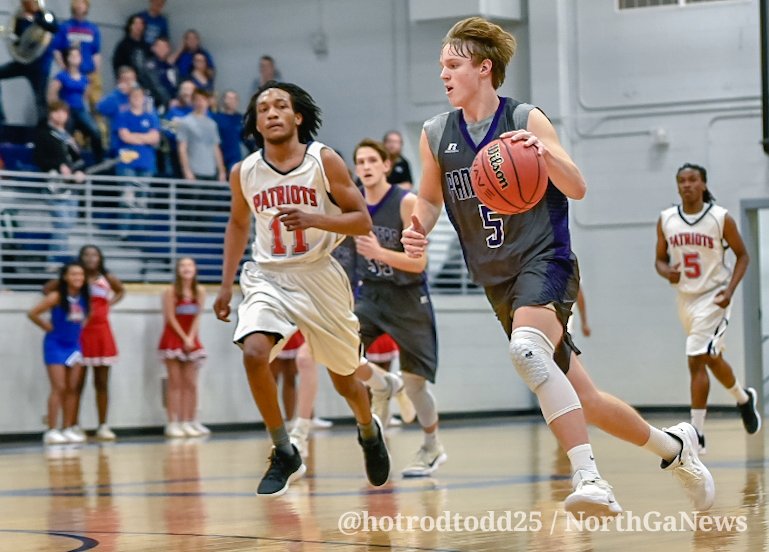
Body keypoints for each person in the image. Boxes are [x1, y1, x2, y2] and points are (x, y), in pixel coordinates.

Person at [401, 17, 715, 514]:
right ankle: (675, 449)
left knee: (527, 352)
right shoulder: (436, 133)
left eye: (453, 65)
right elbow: (428, 198)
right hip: (497, 279)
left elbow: (577, 186)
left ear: (484, 69)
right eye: (442, 65)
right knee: (584, 398)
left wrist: (543, 152)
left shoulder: (525, 119)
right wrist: (418, 225)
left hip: (545, 258)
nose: (444, 74)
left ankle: (590, 479)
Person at [213, 80, 390, 496]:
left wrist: (315, 220)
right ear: (256, 123)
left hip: (318, 275)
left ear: (298, 117)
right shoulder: (244, 172)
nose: (271, 113)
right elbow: (239, 225)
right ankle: (284, 449)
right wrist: (225, 286)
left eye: (280, 106)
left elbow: (362, 221)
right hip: (269, 275)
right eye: (263, 109)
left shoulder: (323, 160)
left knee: (346, 380)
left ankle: (368, 429)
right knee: (255, 353)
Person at [351, 138, 443, 477]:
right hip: (372, 295)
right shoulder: (353, 203)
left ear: (387, 165)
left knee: (416, 384)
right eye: (360, 161)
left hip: (408, 298)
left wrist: (380, 254)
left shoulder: (407, 203)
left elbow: (419, 264)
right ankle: (382, 384)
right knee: (341, 351)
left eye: (372, 160)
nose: (366, 166)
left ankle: (432, 447)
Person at [655, 162, 761, 452]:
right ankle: (742, 398)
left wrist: (729, 292)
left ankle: (697, 434)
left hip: (714, 296)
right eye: (682, 181)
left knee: (695, 357)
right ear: (678, 186)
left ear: (703, 184)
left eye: (692, 180)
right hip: (685, 298)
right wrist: (667, 273)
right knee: (711, 358)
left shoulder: (719, 218)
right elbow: (659, 260)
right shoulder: (666, 219)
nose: (687, 185)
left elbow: (742, 256)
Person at [43, 245, 124, 441]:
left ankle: (103, 425)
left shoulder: (107, 277)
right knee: (75, 384)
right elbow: (48, 289)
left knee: (102, 382)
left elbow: (121, 291)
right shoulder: (75, 280)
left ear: (100, 257)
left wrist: (107, 305)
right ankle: (73, 424)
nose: (90, 258)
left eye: (94, 254)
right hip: (79, 334)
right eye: (86, 254)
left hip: (102, 331)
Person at [28, 261, 90, 445]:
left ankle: (68, 427)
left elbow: (87, 316)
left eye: (80, 274)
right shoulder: (56, 296)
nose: (78, 278)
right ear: (65, 277)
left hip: (74, 346)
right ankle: (52, 429)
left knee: (73, 388)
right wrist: (47, 326)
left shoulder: (84, 297)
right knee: (59, 387)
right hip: (55, 345)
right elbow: (33, 313)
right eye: (73, 274)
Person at [158, 257, 209, 438]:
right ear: (177, 270)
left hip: (191, 338)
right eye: (182, 265)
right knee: (175, 383)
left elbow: (197, 317)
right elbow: (170, 317)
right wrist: (183, 337)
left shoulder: (200, 291)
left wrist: (191, 338)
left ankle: (190, 420)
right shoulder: (171, 291)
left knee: (191, 383)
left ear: (195, 269)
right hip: (173, 338)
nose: (186, 268)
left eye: (190, 265)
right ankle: (173, 422)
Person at [34, 100, 85, 266]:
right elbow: (40, 158)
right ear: (50, 113)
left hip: (71, 186)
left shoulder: (69, 136)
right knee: (62, 222)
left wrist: (78, 171)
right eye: (57, 112)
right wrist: (58, 166)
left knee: (69, 222)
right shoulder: (43, 133)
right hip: (54, 185)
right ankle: (54, 261)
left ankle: (60, 257)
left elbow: (77, 158)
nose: (60, 115)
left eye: (63, 112)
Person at [0, 0, 58, 124]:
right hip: (22, 63)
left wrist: (35, 19)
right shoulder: (19, 18)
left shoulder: (46, 15)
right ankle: (1, 118)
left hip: (39, 66)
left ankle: (43, 129)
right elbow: (16, 40)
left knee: (40, 99)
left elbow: (53, 27)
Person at [114, 86, 160, 238]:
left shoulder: (151, 117)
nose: (137, 99)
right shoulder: (123, 115)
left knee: (142, 199)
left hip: (146, 162)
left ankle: (140, 233)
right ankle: (124, 231)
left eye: (140, 96)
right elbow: (124, 136)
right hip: (127, 162)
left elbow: (155, 138)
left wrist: (136, 137)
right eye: (134, 96)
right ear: (130, 98)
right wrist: (144, 138)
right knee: (128, 196)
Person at [48, 46, 104, 163]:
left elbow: (86, 97)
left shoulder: (84, 78)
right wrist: (56, 111)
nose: (75, 58)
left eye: (77, 55)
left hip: (81, 110)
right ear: (67, 58)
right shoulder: (61, 76)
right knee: (67, 137)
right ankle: (71, 161)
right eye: (72, 55)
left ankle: (99, 159)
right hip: (66, 111)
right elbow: (52, 94)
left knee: (96, 132)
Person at [52, 0, 102, 106]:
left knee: (96, 105)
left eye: (82, 4)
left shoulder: (93, 28)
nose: (79, 6)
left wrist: (96, 72)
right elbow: (56, 50)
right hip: (71, 75)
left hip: (89, 73)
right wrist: (63, 67)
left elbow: (96, 53)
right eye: (77, 3)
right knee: (71, 105)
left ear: (87, 7)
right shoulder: (65, 27)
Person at [176, 88, 225, 182]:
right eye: (197, 100)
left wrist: (221, 171)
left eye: (203, 100)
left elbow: (216, 148)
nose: (200, 103)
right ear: (193, 102)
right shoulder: (186, 122)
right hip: (194, 172)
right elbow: (182, 148)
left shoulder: (212, 124)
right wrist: (187, 171)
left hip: (211, 172)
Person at [96, 66, 138, 155]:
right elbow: (100, 107)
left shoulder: (140, 97)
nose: (130, 82)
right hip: (120, 145)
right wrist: (119, 92)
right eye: (126, 79)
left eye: (132, 79)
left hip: (140, 143)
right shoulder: (115, 98)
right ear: (120, 81)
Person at [212, 90, 245, 174]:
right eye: (229, 98)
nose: (231, 101)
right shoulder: (216, 118)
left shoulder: (241, 120)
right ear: (223, 100)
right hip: (218, 157)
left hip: (235, 158)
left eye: (234, 99)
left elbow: (247, 140)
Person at [143, 37, 178, 111]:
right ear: (154, 48)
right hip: (157, 104)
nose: (162, 49)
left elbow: (177, 84)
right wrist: (169, 101)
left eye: (165, 47)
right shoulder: (150, 66)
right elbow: (156, 85)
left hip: (175, 103)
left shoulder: (172, 66)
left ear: (169, 49)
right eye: (159, 46)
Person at [111, 14, 149, 80]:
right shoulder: (123, 45)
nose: (138, 26)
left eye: (141, 24)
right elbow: (117, 65)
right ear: (130, 26)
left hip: (146, 82)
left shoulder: (147, 46)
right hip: (129, 82)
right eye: (136, 24)